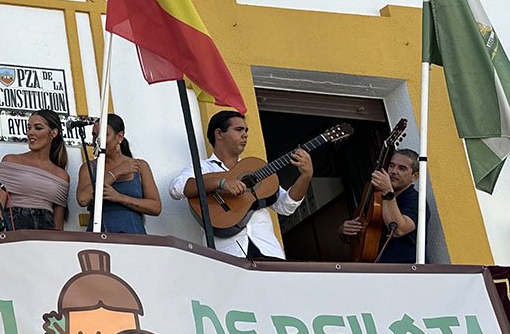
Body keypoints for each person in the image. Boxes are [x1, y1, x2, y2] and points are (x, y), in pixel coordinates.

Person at [168, 110, 313, 259]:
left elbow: (286, 206)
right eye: (238, 129)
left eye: (246, 130)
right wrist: (220, 183)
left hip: (268, 250)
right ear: (219, 133)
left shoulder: (254, 167)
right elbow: (177, 188)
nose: (245, 134)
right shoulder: (202, 168)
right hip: (227, 255)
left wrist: (306, 176)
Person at [76, 114, 161, 234]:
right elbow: (83, 199)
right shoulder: (89, 167)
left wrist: (119, 198)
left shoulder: (140, 166)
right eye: (94, 135)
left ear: (119, 137)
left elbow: (155, 207)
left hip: (134, 235)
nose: (97, 140)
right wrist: (115, 173)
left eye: (104, 135)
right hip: (100, 236)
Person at [340, 149, 427, 263]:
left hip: (404, 270)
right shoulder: (376, 196)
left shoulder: (416, 201)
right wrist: (344, 230)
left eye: (402, 168)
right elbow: (363, 225)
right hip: (374, 266)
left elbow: (398, 230)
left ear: (414, 176)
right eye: (391, 166)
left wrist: (387, 192)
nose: (393, 171)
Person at [0, 109, 70, 230]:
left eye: (38, 128)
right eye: (29, 128)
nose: (30, 132)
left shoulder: (62, 175)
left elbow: (58, 225)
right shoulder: (11, 161)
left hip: (47, 232)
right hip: (15, 227)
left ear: (54, 133)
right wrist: (0, 237)